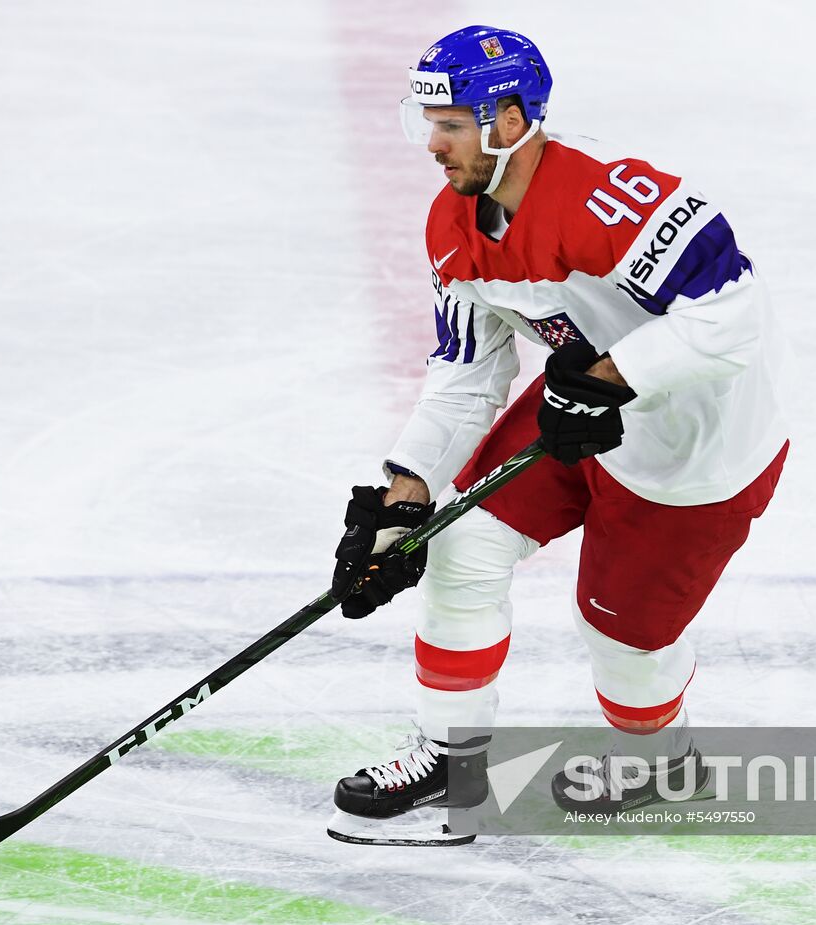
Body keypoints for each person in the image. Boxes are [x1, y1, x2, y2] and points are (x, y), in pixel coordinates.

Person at [325, 25, 790, 846]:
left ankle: (662, 762)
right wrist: (403, 497)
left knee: (621, 633)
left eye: (452, 125)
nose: (433, 146)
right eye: (424, 123)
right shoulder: (454, 226)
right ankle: (452, 757)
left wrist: (610, 381)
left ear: (510, 121)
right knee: (459, 541)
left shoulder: (617, 198)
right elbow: (468, 374)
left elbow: (732, 317)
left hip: (694, 450)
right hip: (577, 417)